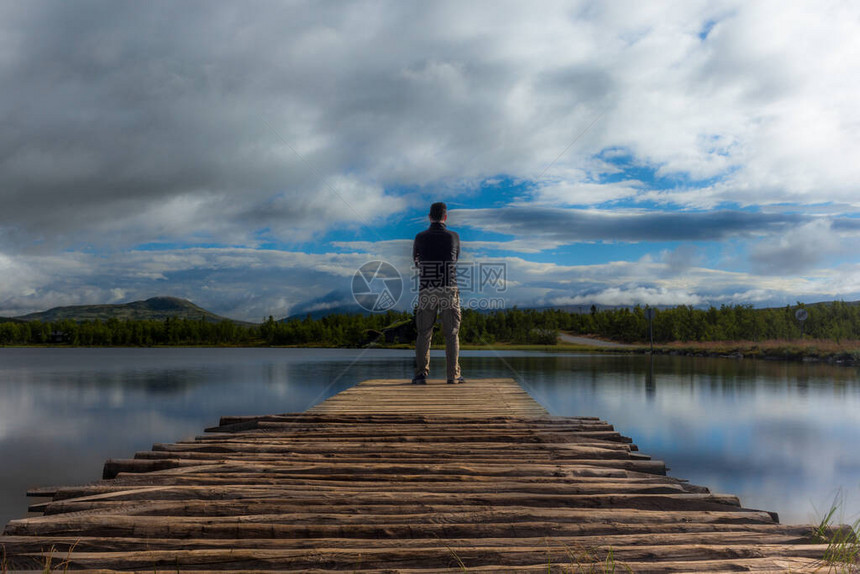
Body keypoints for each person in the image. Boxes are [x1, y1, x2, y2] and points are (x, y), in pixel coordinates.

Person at [411, 202, 465, 385]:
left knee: (424, 333)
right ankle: (453, 375)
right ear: (446, 217)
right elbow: (454, 259)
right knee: (451, 334)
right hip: (449, 288)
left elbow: (417, 262)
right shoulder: (454, 236)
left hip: (427, 289)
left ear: (429, 217)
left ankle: (420, 375)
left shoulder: (420, 237)